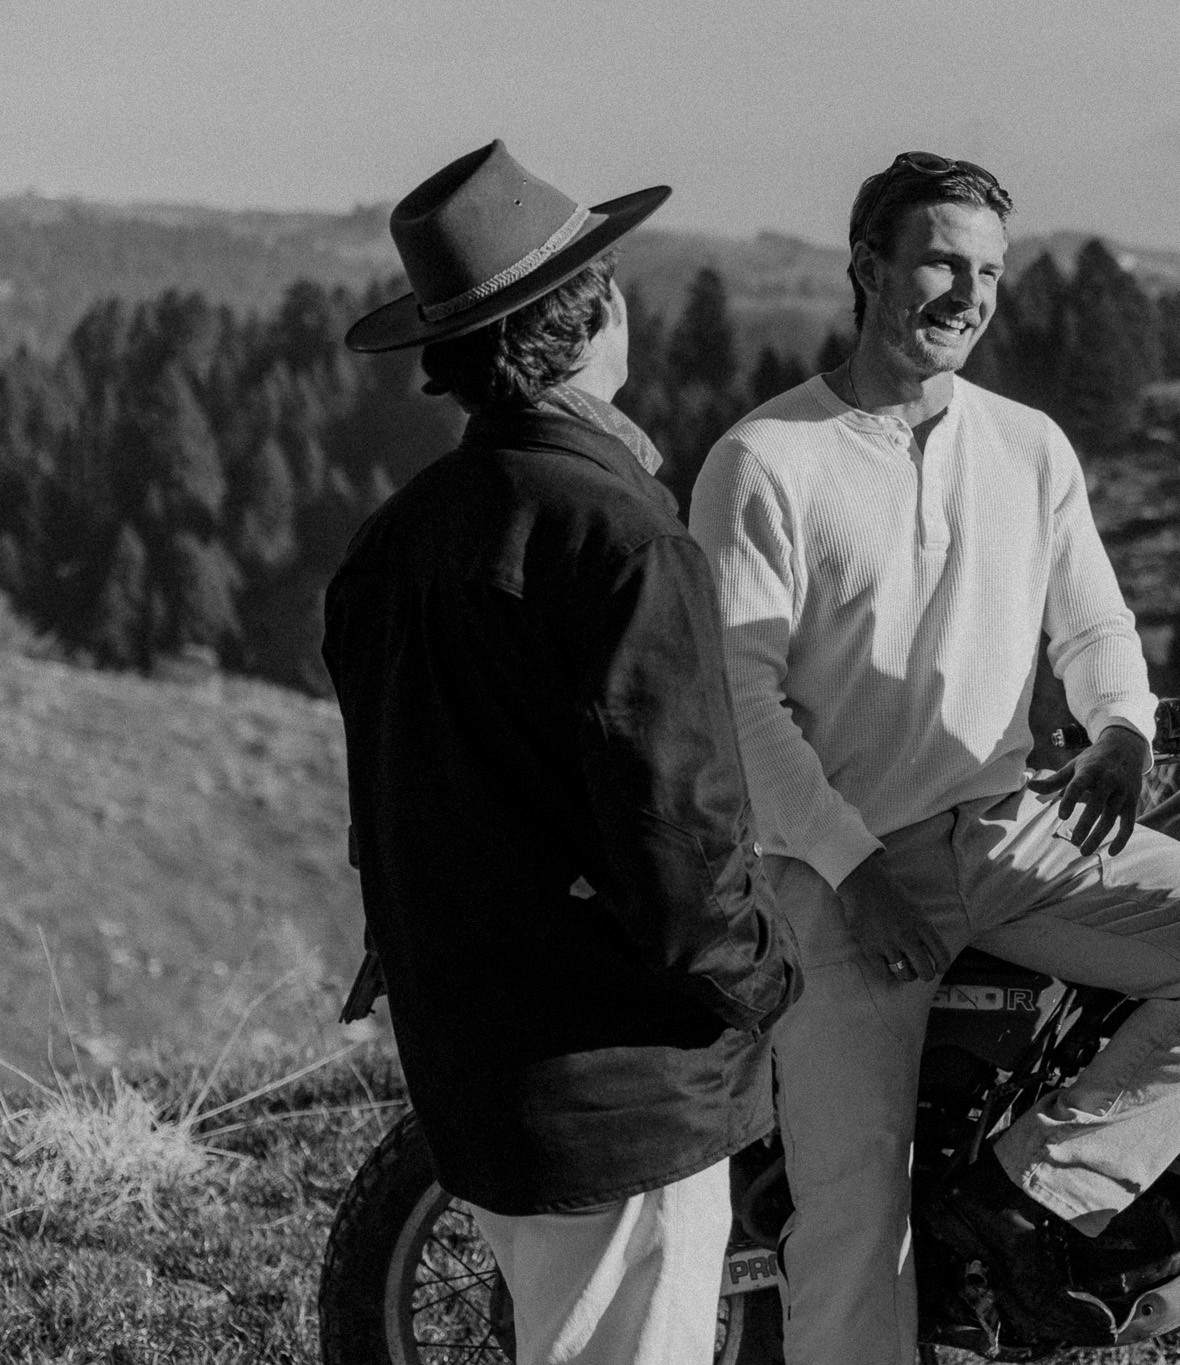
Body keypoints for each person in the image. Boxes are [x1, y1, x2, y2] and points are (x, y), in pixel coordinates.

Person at [687, 151, 1180, 1364]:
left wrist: (1120, 728)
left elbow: (1093, 623)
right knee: (853, 1226)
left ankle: (1024, 1201)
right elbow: (742, 705)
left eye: (990, 269)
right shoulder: (763, 461)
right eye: (942, 260)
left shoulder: (1027, 446)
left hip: (1008, 831)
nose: (968, 292)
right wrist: (853, 870)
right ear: (867, 269)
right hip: (829, 874)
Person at [325, 141, 799, 1365]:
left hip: (469, 1063)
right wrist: (767, 981)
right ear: (597, 314)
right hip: (617, 1080)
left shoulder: (394, 543)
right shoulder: (623, 539)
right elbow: (677, 839)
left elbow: (388, 811)